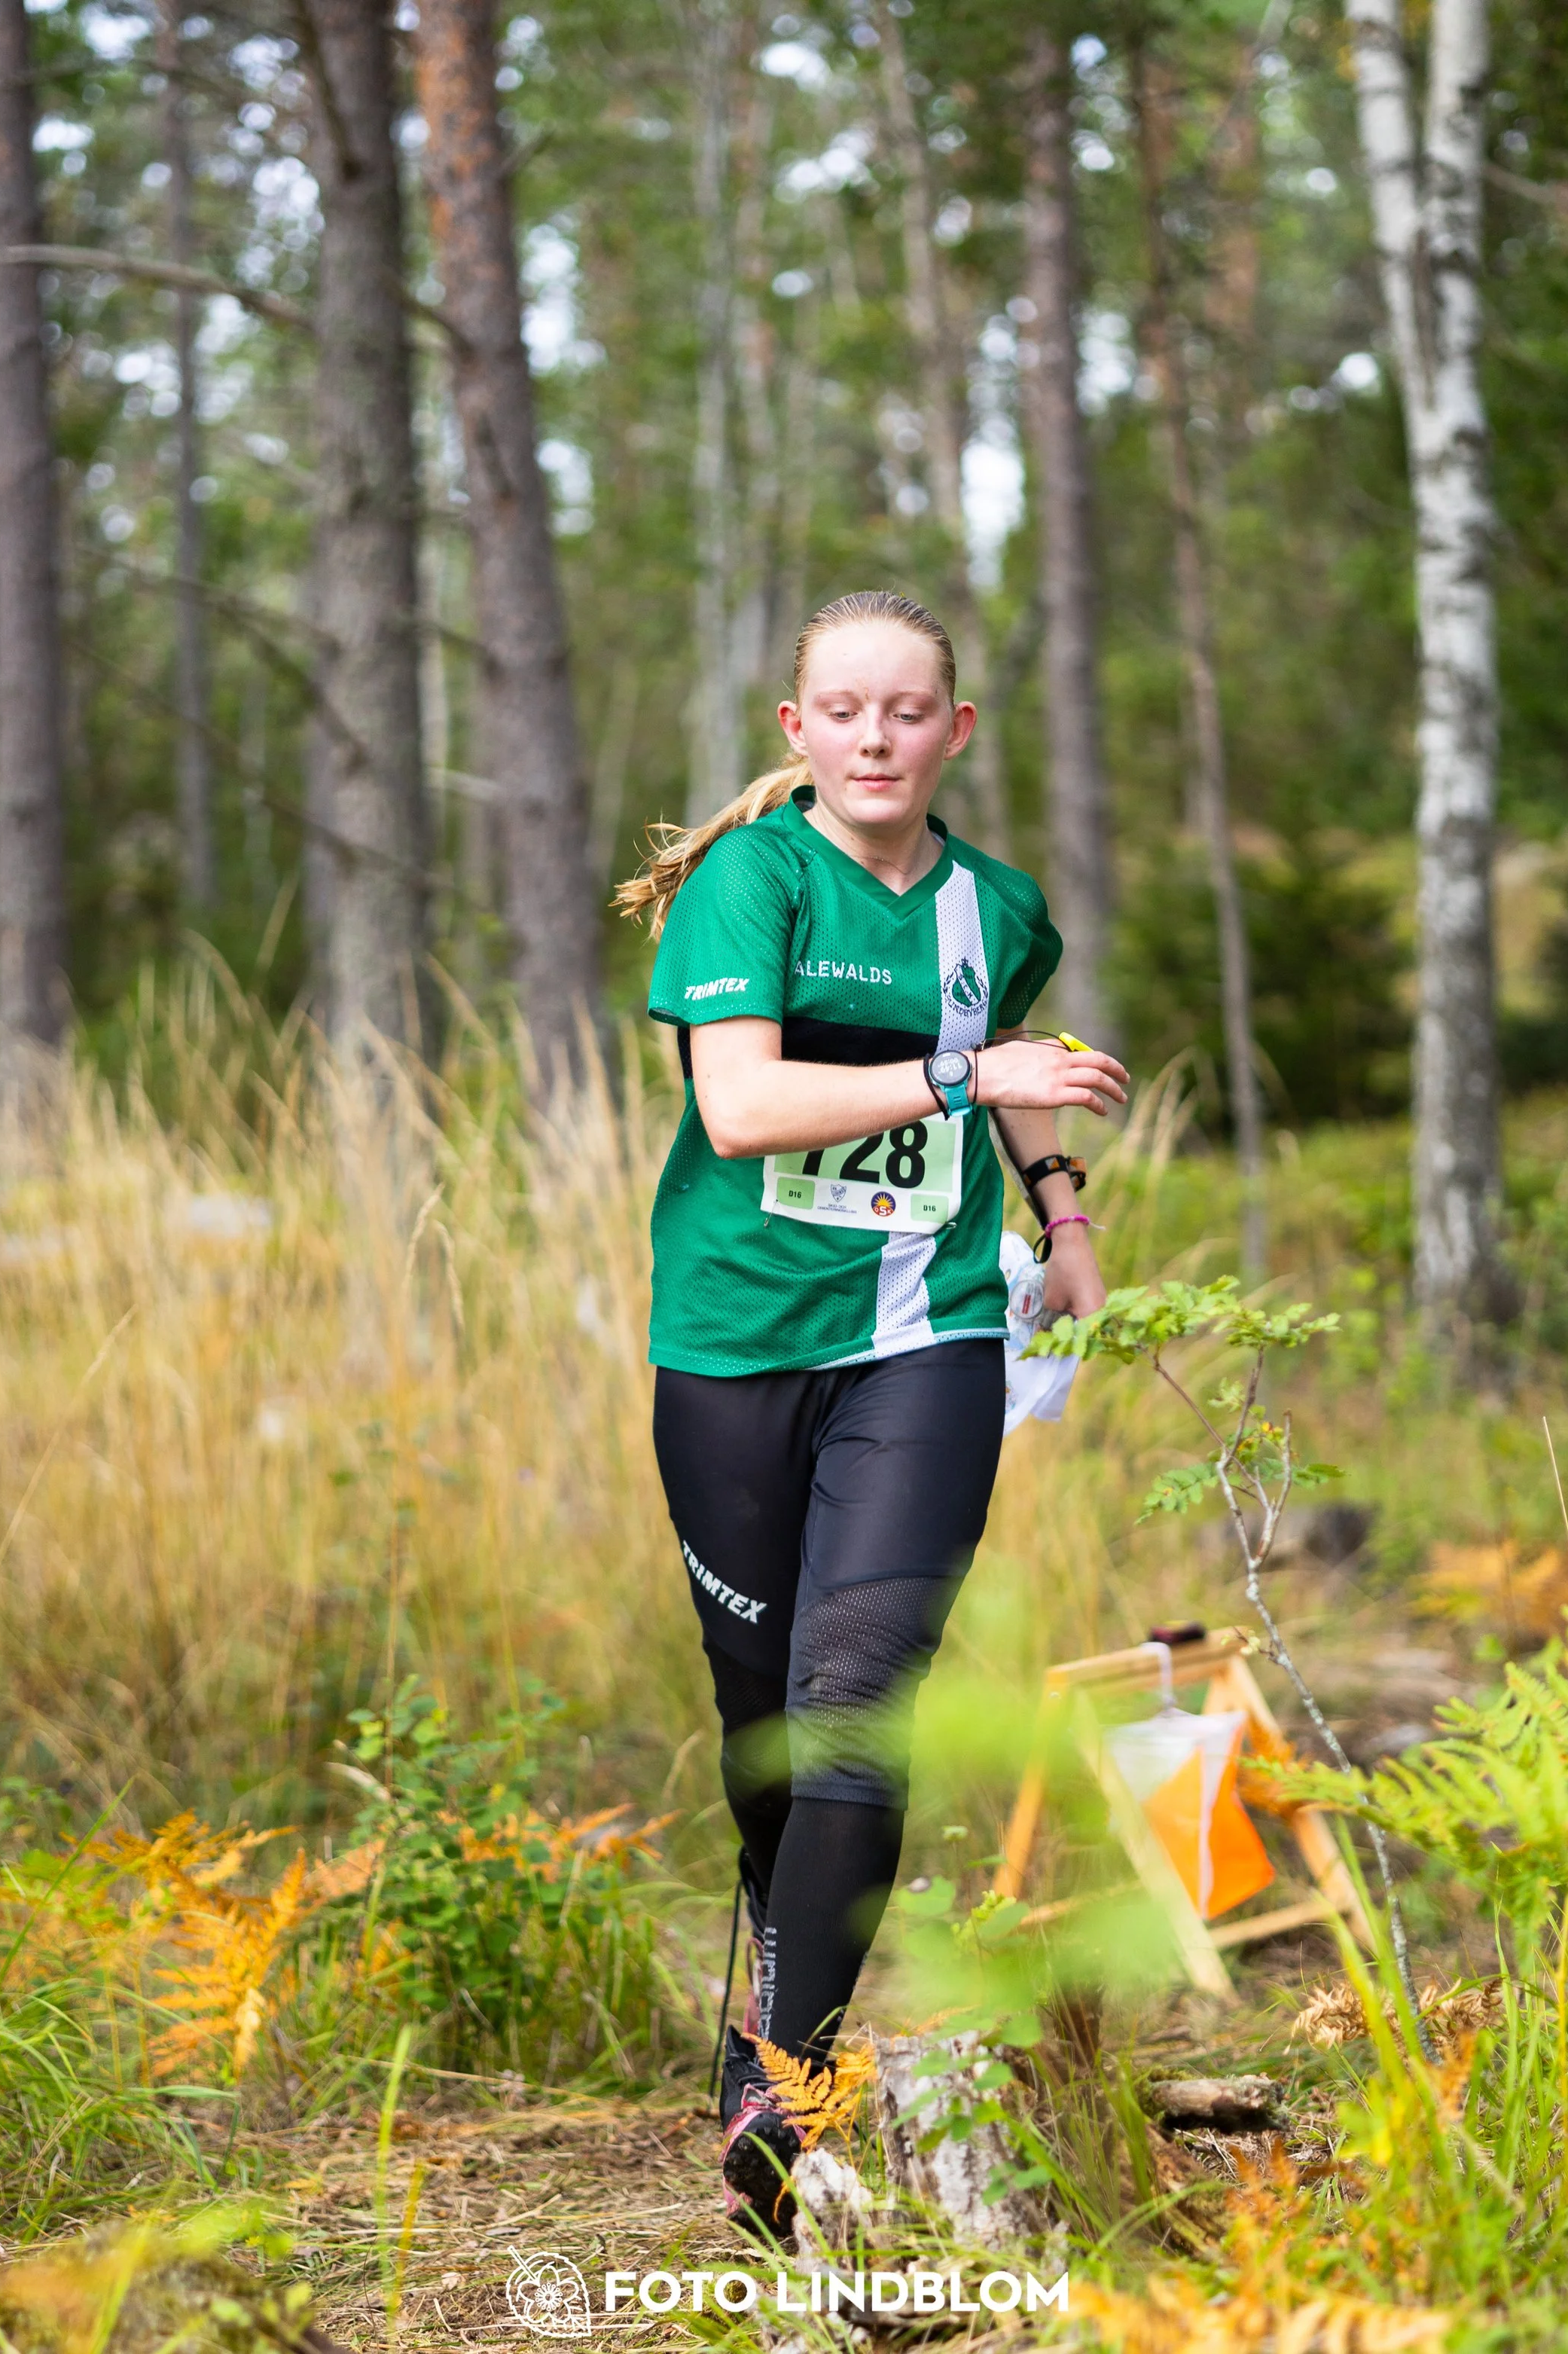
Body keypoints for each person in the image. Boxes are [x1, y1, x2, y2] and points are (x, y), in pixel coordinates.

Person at [615, 590, 1128, 2236]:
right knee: (765, 1718)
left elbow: (1003, 1073)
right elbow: (743, 1102)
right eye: (842, 710)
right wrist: (970, 1082)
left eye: (906, 711)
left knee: (858, 1693)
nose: (875, 736)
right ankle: (774, 1958)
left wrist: (1057, 1209)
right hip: (729, 1339)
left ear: (952, 731)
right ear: (797, 731)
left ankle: (786, 2085)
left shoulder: (1000, 907)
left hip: (922, 1335)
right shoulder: (747, 883)